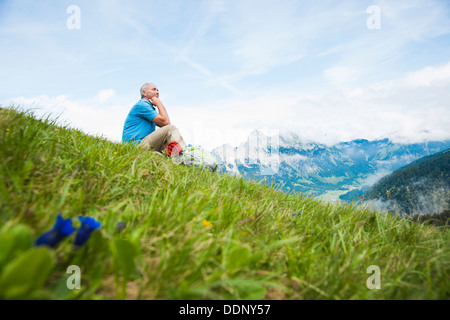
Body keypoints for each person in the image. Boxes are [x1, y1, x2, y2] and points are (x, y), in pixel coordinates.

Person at [122, 83, 186, 153]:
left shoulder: (150, 108)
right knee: (171, 128)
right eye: (154, 89)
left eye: (158, 90)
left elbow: (166, 124)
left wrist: (161, 105)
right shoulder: (142, 105)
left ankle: (182, 159)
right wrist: (159, 103)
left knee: (168, 144)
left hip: (143, 144)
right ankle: (185, 153)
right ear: (144, 93)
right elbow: (168, 125)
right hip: (136, 145)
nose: (157, 92)